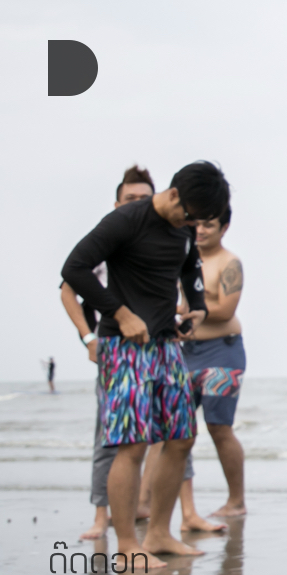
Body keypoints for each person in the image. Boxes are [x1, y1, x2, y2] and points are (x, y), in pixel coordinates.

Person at [62, 160, 232, 570]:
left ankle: (159, 534)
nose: (190, 226)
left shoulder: (184, 228)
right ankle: (126, 545)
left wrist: (196, 306)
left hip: (166, 344)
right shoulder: (127, 221)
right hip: (123, 347)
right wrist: (119, 314)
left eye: (197, 221)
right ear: (173, 194)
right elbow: (74, 270)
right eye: (188, 216)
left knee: (181, 437)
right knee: (133, 444)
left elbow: (190, 265)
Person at [61, 165, 156, 540]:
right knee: (110, 437)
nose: (137, 205)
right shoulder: (105, 245)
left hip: (159, 351)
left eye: (144, 199)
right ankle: (102, 516)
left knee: (170, 435)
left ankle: (151, 509)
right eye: (130, 199)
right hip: (116, 352)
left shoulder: (164, 243)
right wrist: (89, 338)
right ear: (117, 204)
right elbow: (68, 289)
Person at [181, 206, 248, 519]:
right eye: (196, 224)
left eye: (208, 225)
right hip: (185, 352)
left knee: (219, 426)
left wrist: (188, 309)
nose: (201, 230)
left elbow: (225, 309)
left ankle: (236, 501)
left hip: (223, 350)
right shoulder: (182, 260)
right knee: (176, 431)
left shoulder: (228, 262)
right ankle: (176, 508)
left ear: (224, 228)